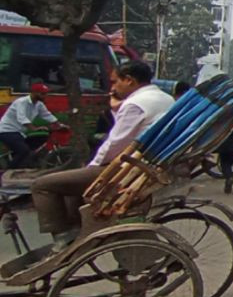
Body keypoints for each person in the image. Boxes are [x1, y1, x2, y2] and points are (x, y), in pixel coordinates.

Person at [31, 62, 173, 248]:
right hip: (144, 165)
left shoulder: (135, 104)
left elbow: (115, 143)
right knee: (69, 184)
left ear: (129, 80)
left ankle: (64, 235)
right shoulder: (164, 98)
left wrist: (93, 166)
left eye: (115, 82)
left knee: (42, 185)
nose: (112, 88)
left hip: (126, 170)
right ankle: (77, 230)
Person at [0, 82, 60, 170]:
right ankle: (7, 171)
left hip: (19, 132)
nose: (44, 96)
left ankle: (22, 160)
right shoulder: (21, 102)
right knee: (23, 150)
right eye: (42, 94)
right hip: (7, 131)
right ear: (34, 92)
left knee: (42, 138)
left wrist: (58, 124)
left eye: (45, 94)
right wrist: (34, 128)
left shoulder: (39, 104)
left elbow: (47, 115)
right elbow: (22, 117)